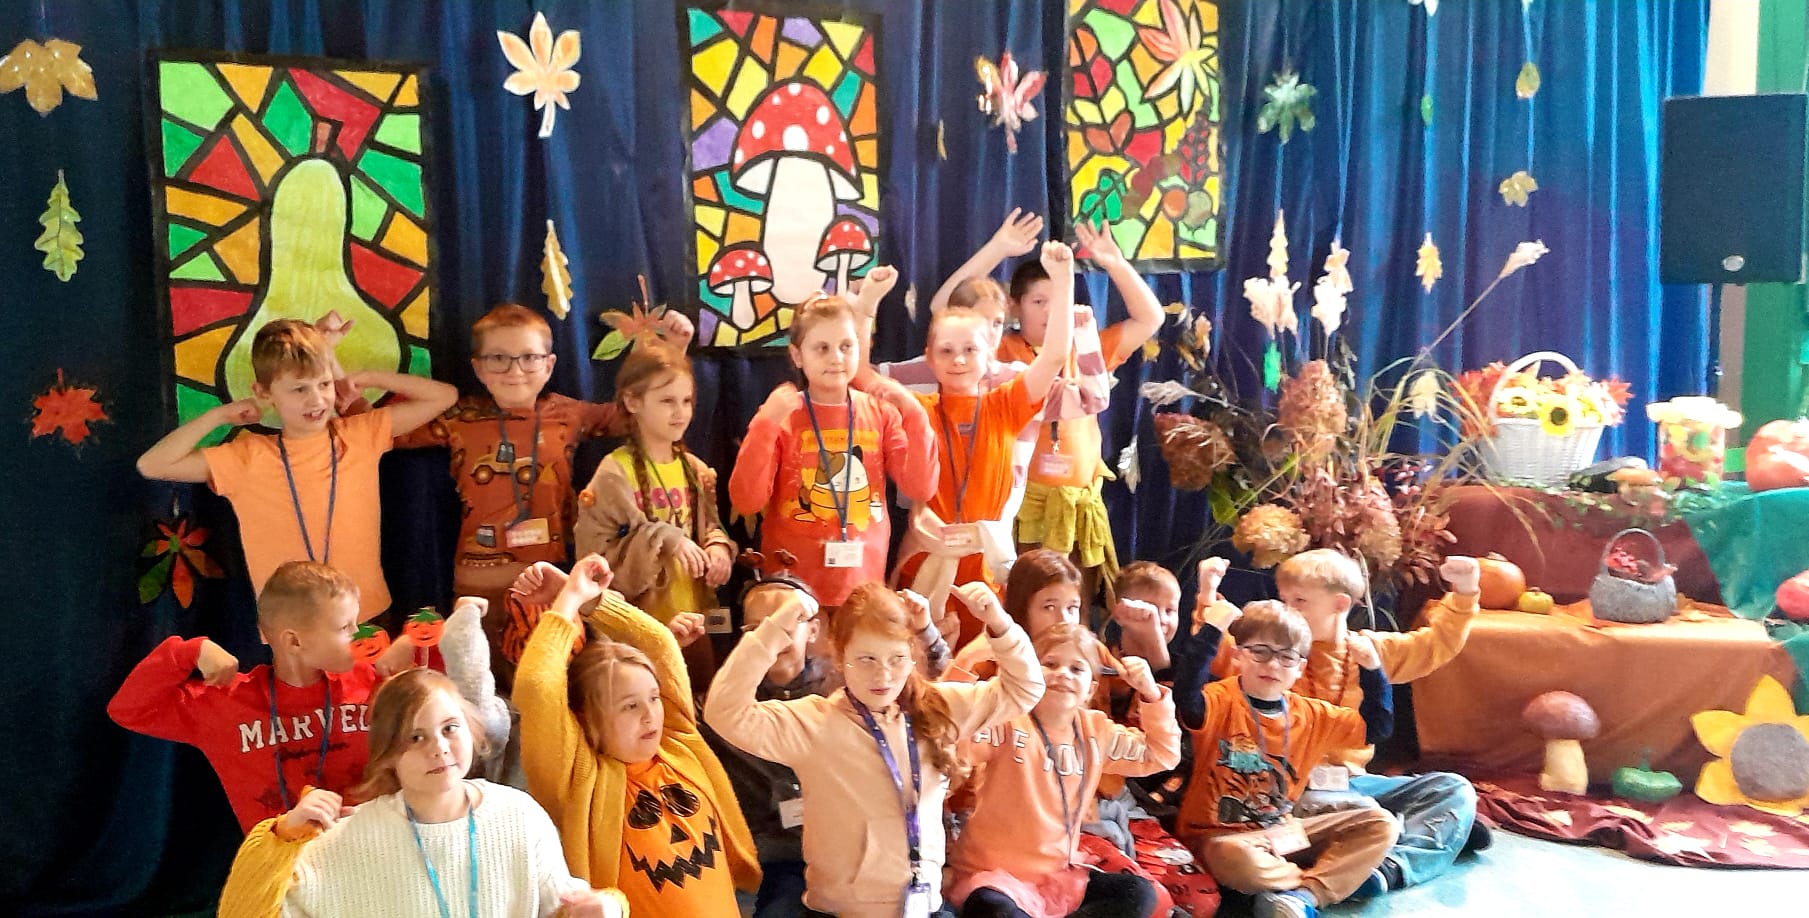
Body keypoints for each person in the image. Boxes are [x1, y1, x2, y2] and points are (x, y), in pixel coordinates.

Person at [393, 303, 692, 688]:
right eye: (498, 358)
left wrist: (674, 351)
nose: (515, 370)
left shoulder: (567, 414)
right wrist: (352, 384)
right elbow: (381, 430)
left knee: (545, 686)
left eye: (529, 358)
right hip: (477, 586)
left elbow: (635, 416)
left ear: (549, 365)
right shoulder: (459, 419)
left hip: (548, 584)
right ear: (478, 368)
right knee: (479, 689)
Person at [705, 582, 1045, 917]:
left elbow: (1025, 689)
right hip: (842, 911)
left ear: (911, 655)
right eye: (866, 659)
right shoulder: (814, 723)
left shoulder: (939, 708)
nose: (882, 675)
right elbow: (724, 711)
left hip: (924, 907)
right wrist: (776, 628)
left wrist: (1000, 625)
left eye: (896, 659)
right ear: (841, 658)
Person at [216, 667, 625, 917]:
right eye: (415, 737)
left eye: (450, 728)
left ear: (471, 730)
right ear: (388, 754)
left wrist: (608, 907)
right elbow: (243, 911)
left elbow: (565, 907)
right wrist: (283, 837)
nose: (439, 747)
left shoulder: (518, 814)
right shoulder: (347, 840)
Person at [136, 318, 458, 620]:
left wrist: (371, 378)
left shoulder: (359, 435)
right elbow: (152, 464)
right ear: (264, 393)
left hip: (365, 614)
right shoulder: (247, 458)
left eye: (324, 384)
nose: (316, 399)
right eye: (300, 389)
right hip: (293, 624)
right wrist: (218, 417)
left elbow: (444, 396)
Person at [512, 555, 758, 914]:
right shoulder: (577, 779)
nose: (650, 715)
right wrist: (568, 600)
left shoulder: (679, 743)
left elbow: (660, 643)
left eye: (654, 698)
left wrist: (592, 599)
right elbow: (537, 687)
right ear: (585, 717)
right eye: (629, 706)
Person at [868, 242, 1080, 646]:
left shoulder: (1007, 403)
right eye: (947, 351)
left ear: (988, 357)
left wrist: (1063, 279)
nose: (959, 360)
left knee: (983, 665)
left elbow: (1054, 356)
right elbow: (861, 377)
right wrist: (866, 305)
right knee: (917, 664)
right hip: (926, 562)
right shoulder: (917, 410)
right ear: (930, 358)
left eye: (970, 350)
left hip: (987, 570)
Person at [108, 562, 419, 831]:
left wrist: (413, 648)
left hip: (375, 850)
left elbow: (441, 704)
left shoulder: (374, 681)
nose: (359, 635)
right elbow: (129, 710)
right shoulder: (228, 702)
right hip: (282, 866)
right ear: (294, 642)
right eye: (345, 627)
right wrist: (187, 652)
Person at [1269, 549, 1488, 896]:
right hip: (1295, 792)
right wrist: (1207, 599)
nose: (1288, 610)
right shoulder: (1274, 652)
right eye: (1284, 600)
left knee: (1454, 789)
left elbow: (1434, 645)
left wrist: (1464, 591)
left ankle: (1389, 868)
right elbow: (1226, 655)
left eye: (1299, 601)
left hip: (1355, 784)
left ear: (1340, 604)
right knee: (1363, 813)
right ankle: (1418, 835)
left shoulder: (1370, 649)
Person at [1175, 602, 1397, 918]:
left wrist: (1372, 669)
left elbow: (1378, 729)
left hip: (1280, 834)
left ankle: (1304, 896)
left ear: (1300, 667)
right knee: (1240, 861)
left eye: (1286, 657)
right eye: (1260, 652)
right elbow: (1186, 697)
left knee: (1381, 824)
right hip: (1217, 838)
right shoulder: (1220, 699)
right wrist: (1211, 631)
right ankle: (1333, 879)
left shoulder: (1312, 714)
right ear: (1237, 655)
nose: (1273, 665)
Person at [949, 623, 1180, 918]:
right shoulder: (1007, 719)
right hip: (993, 880)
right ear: (1029, 674)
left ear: (1090, 690)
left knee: (1139, 893)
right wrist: (966, 660)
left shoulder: (1095, 731)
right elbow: (946, 728)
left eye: (1076, 669)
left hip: (1058, 880)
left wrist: (1150, 693)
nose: (1063, 674)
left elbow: (1163, 754)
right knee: (994, 908)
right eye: (1050, 664)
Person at [991, 222, 1164, 609]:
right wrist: (997, 249)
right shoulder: (1000, 352)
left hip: (1077, 506)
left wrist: (1114, 262)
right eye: (1038, 301)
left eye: (1059, 301)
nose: (1050, 311)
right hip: (1022, 506)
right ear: (1015, 306)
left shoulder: (1087, 348)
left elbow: (1150, 319)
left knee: (1076, 609)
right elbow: (947, 309)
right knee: (1023, 606)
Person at [729, 295, 938, 608]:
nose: (836, 358)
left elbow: (920, 488)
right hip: (793, 589)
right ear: (797, 355)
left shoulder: (881, 412)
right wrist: (765, 423)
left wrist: (914, 413)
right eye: (822, 348)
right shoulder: (782, 415)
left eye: (846, 346)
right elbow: (747, 500)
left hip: (862, 587)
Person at [574, 340, 732, 687]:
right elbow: (593, 558)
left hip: (693, 620)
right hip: (639, 632)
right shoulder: (614, 473)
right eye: (666, 401)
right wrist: (666, 538)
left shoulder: (695, 469)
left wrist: (718, 547)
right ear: (633, 402)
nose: (680, 412)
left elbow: (711, 525)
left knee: (697, 700)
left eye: (686, 401)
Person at [951, 548, 1084, 679]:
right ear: (1021, 608)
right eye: (1049, 607)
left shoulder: (1088, 655)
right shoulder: (986, 658)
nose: (1064, 620)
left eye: (1072, 608)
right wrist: (966, 658)